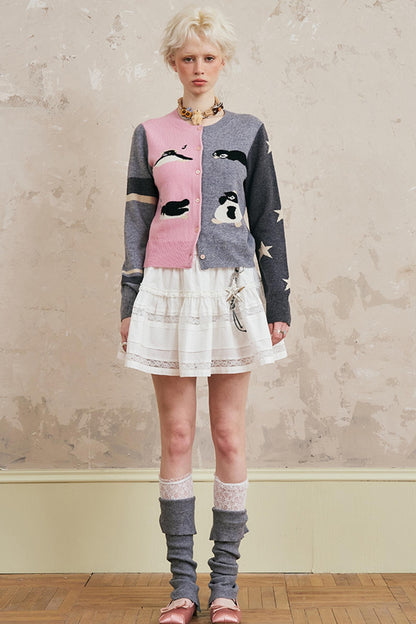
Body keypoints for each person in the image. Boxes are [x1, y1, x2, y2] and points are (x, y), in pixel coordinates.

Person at [119, 6, 291, 624]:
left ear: (223, 62)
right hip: (166, 289)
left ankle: (224, 586)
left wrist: (279, 301)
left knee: (227, 436)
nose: (199, 68)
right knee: (176, 437)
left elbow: (267, 217)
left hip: (232, 290)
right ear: (173, 62)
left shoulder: (249, 131)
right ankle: (182, 588)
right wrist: (128, 301)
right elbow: (137, 221)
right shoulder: (149, 132)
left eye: (209, 57)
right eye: (188, 57)